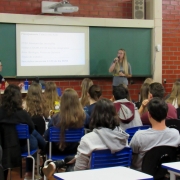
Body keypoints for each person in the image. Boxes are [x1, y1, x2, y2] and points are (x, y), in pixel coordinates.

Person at [42, 98, 129, 178]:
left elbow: (78, 173)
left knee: (70, 166)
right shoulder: (124, 138)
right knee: (74, 157)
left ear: (95, 116)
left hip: (92, 177)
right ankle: (60, 163)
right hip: (117, 177)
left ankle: (57, 166)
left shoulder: (88, 140)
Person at [0, 84, 46, 179]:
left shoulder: (0, 112)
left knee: (33, 135)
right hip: (23, 147)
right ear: (18, 98)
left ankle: (45, 147)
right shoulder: (23, 114)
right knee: (33, 136)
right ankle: (45, 148)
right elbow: (31, 128)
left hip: (4, 147)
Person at [130, 97, 180, 171]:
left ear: (149, 115)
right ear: (166, 114)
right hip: (166, 174)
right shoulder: (175, 134)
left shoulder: (139, 136)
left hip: (142, 175)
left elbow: (130, 157)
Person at [44, 88, 89, 155]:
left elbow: (47, 136)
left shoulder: (55, 118)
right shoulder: (84, 117)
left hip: (56, 152)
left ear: (62, 102)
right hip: (76, 152)